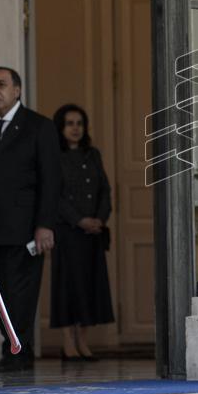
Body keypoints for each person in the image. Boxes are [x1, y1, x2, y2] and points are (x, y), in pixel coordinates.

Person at [0, 67, 61, 372]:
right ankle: (13, 347)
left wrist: (45, 224)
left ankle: (17, 352)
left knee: (19, 294)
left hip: (24, 229)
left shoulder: (39, 127)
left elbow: (51, 181)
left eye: (1, 85)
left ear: (17, 90)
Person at [50, 103, 114, 361]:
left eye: (79, 123)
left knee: (90, 286)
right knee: (68, 287)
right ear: (61, 127)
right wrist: (79, 220)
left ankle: (83, 342)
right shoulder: (54, 155)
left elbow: (105, 190)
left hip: (92, 234)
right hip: (68, 233)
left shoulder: (93, 154)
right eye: (69, 123)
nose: (75, 128)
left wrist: (99, 218)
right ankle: (68, 342)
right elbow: (55, 195)